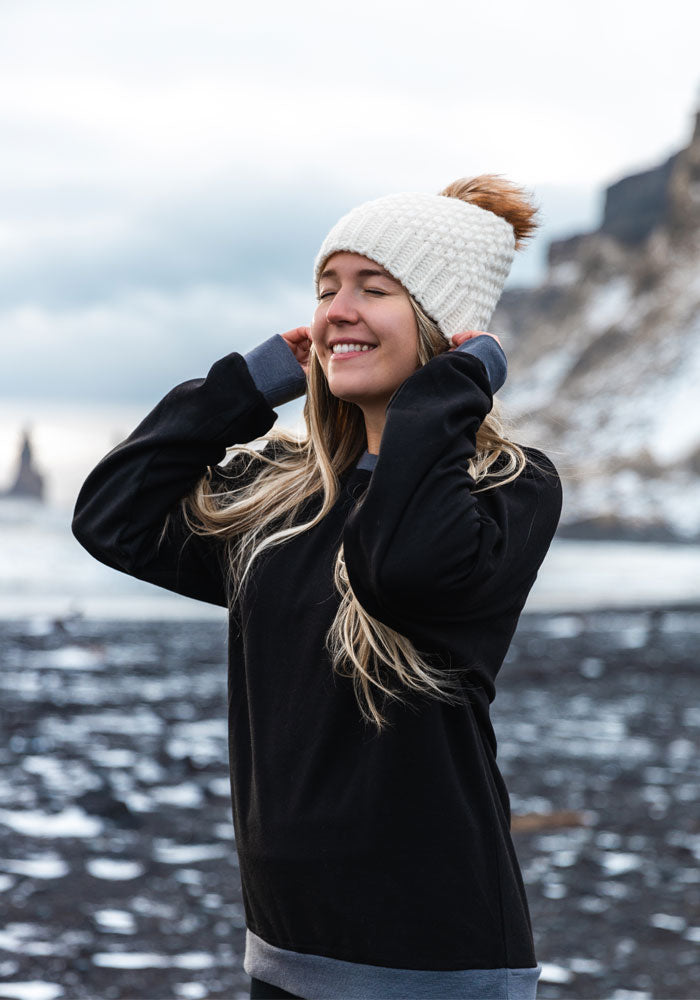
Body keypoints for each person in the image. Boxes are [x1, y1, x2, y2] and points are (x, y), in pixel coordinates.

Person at [72, 175, 563, 1000]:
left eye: (374, 289)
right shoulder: (285, 499)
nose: (338, 308)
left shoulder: (508, 489)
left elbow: (398, 569)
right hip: (286, 949)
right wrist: (245, 386)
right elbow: (114, 516)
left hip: (435, 959)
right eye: (327, 287)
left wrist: (446, 391)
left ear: (446, 331)